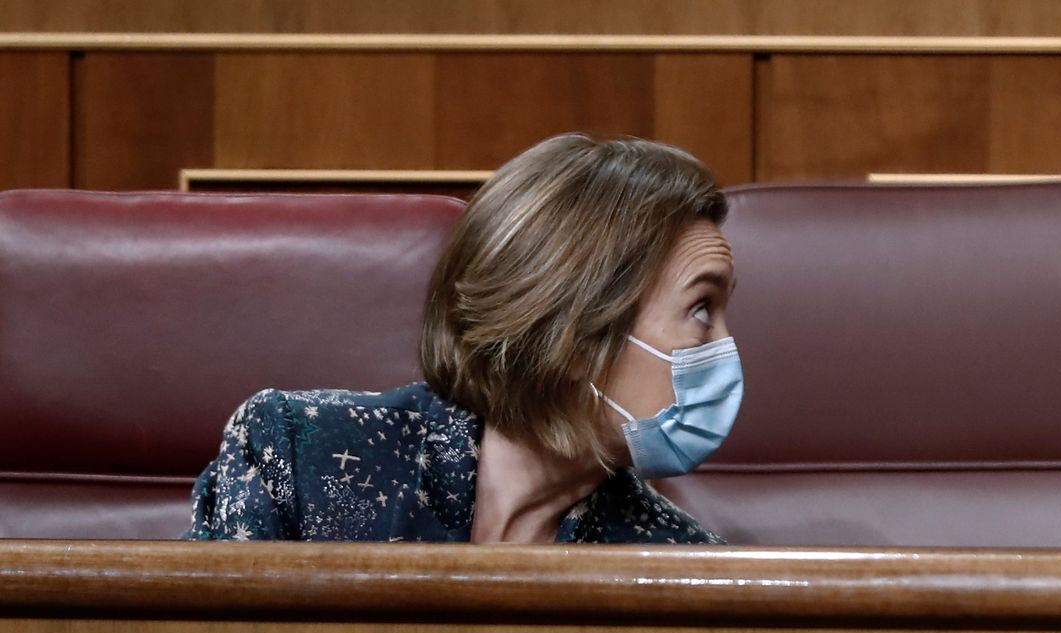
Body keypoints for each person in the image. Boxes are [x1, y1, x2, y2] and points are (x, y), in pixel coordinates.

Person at [186, 133, 738, 544]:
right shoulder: (297, 454)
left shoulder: (675, 558)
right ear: (574, 335)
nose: (726, 345)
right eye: (700, 309)